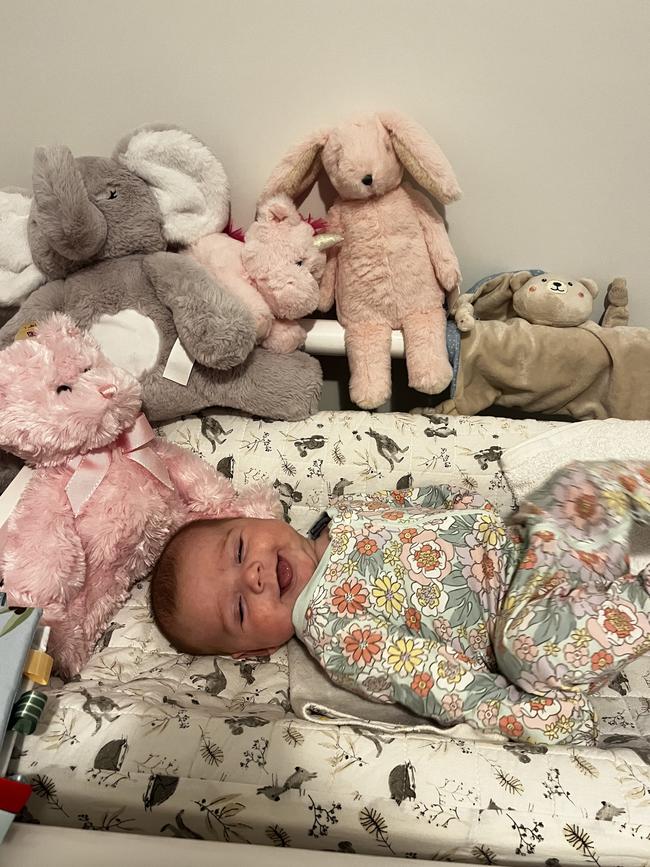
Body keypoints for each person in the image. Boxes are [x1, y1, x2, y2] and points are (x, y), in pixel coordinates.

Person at [150, 461, 650, 745]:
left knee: (574, 483)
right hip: (538, 620)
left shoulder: (338, 514)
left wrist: (477, 517)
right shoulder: (334, 629)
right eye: (239, 609)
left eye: (240, 550)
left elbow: (423, 501)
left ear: (254, 519)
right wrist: (534, 716)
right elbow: (439, 682)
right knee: (531, 650)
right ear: (253, 651)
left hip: (536, 548)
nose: (255, 576)